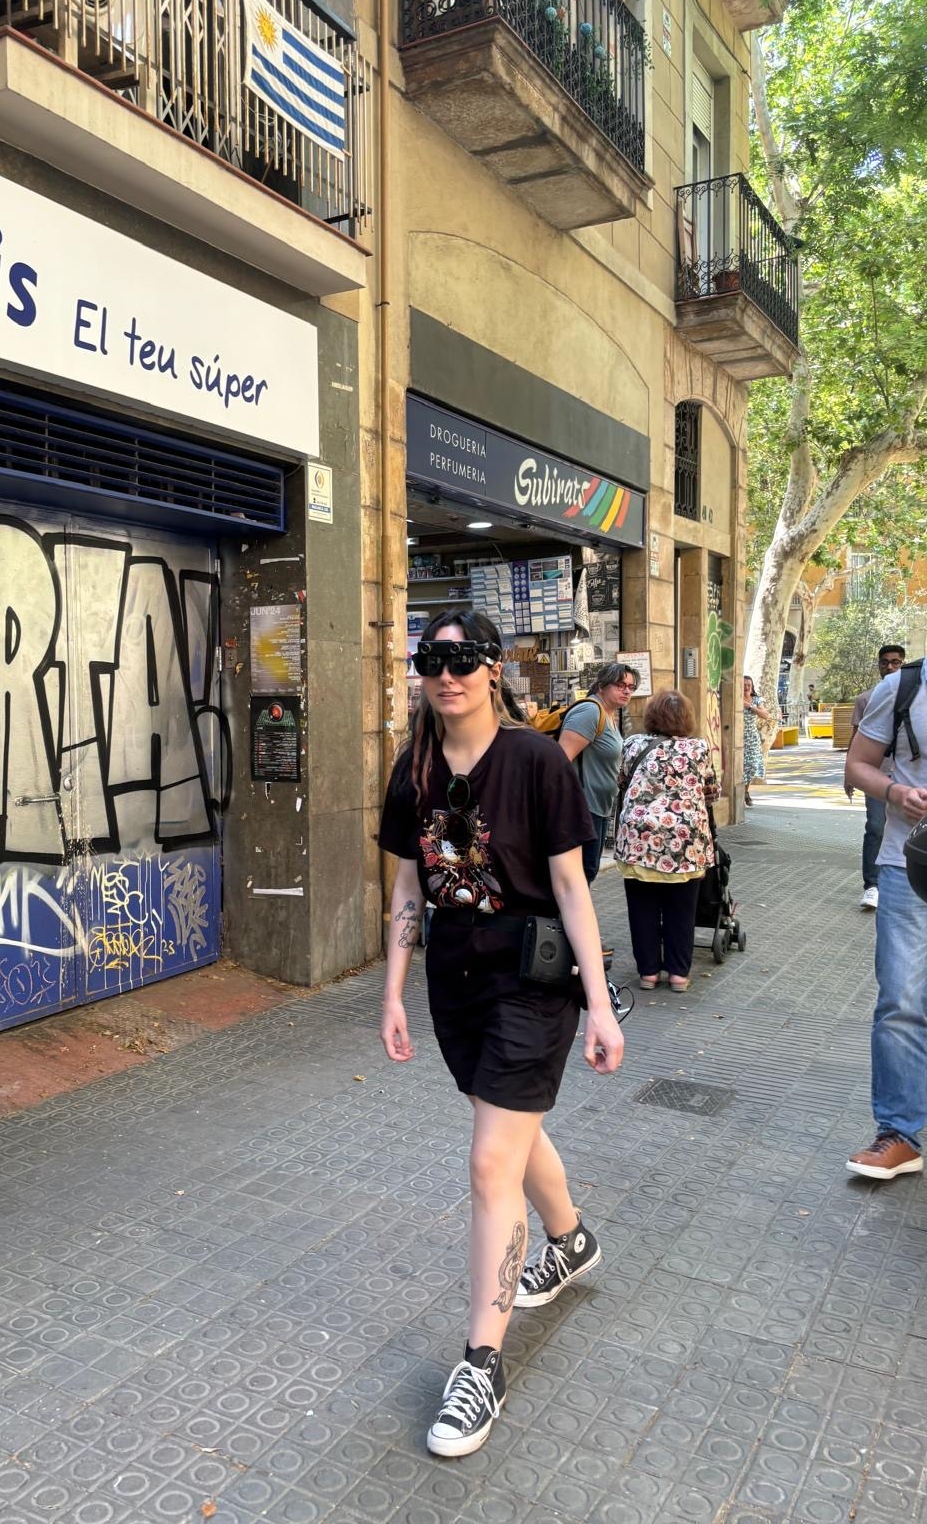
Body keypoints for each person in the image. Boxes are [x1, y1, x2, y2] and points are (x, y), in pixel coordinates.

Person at [378, 608, 624, 1458]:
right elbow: (409, 892)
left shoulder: (532, 760)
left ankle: (481, 1363)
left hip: (532, 978)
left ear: (492, 671)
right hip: (456, 984)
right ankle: (572, 1241)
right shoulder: (409, 772)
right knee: (512, 1131)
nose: (448, 674)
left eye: (465, 659)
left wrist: (599, 999)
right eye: (433, 659)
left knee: (490, 1160)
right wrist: (393, 995)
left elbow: (570, 886)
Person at [845, 565, 927, 1180]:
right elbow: (857, 766)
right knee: (901, 999)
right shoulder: (899, 689)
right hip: (909, 866)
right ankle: (898, 1133)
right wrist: (895, 792)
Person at [615, 690, 719, 990]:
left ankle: (648, 972)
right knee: (682, 911)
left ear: (651, 717)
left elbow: (622, 780)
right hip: (685, 845)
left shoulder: (633, 744)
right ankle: (678, 974)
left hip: (638, 840)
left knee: (642, 909)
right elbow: (710, 789)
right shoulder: (698, 748)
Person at [558, 661, 639, 885]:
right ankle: (564, 919)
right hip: (582, 806)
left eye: (631, 687)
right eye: (620, 685)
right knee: (582, 872)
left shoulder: (609, 715)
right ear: (602, 685)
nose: (626, 690)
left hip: (599, 807)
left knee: (588, 871)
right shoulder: (590, 711)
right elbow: (559, 761)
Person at [846, 643, 906, 911]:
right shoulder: (866, 699)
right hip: (876, 775)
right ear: (879, 665)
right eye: (885, 662)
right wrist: (849, 774)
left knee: (911, 831)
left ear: (903, 663)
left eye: (896, 662)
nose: (890, 667)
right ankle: (872, 886)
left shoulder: (915, 694)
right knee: (876, 828)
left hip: (909, 776)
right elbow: (856, 738)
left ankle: (908, 886)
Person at [742, 675, 772, 808]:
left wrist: (749, 706)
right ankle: (741, 793)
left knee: (752, 765)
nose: (746, 688)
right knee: (739, 766)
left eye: (749, 685)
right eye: (743, 685)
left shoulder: (756, 700)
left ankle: (745, 791)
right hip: (738, 736)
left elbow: (765, 715)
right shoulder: (735, 698)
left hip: (752, 736)